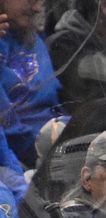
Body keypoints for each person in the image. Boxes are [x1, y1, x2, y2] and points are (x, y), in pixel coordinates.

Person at [0, 0, 61, 168]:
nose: (36, 9)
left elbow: (54, 104)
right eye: (29, 1)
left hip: (54, 142)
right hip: (21, 161)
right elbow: (9, 129)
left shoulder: (35, 40)